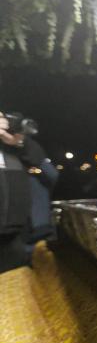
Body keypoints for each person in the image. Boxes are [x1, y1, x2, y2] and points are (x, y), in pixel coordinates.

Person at [0, 111, 47, 273]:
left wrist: (18, 141)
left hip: (15, 233)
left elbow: (38, 158)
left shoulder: (11, 148)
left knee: (18, 280)